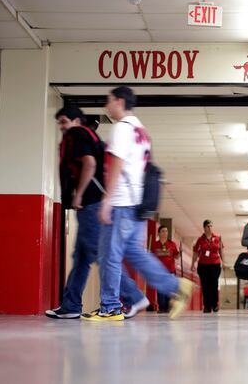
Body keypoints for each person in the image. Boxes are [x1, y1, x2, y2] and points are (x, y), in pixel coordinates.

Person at [82, 86, 192, 321]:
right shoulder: (140, 129)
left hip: (121, 203)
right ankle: (175, 284)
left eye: (108, 101)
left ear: (120, 101)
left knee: (109, 256)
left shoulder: (121, 129)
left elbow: (116, 166)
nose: (106, 105)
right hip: (137, 204)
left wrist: (107, 201)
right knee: (134, 252)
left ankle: (110, 306)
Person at [46, 106, 142, 319]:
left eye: (64, 121)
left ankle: (133, 296)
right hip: (91, 205)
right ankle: (70, 305)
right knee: (81, 258)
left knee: (103, 255)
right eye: (60, 122)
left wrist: (78, 194)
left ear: (76, 121)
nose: (61, 127)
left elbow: (89, 164)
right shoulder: (87, 135)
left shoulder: (77, 134)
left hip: (91, 204)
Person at [192, 220, 224, 313]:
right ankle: (207, 306)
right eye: (208, 226)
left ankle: (215, 305)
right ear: (204, 228)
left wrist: (224, 261)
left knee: (214, 284)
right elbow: (195, 252)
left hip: (215, 264)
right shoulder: (200, 239)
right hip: (203, 265)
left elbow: (221, 251)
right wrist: (192, 264)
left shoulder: (217, 238)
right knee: (205, 286)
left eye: (211, 226)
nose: (210, 228)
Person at [151, 225, 180, 313]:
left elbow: (176, 256)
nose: (165, 233)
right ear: (159, 233)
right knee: (160, 290)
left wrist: (180, 252)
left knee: (169, 290)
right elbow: (151, 257)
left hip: (170, 270)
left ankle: (168, 307)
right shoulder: (155, 244)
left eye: (166, 231)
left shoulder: (172, 244)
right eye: (163, 231)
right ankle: (162, 307)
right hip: (159, 271)